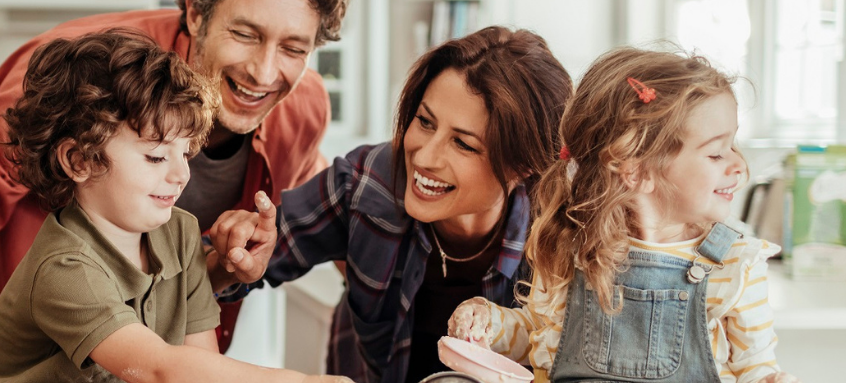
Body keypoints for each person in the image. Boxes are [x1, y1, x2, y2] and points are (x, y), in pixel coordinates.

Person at [0, 1, 347, 382]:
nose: (265, 73)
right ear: (197, 12)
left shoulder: (297, 109)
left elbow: (184, 363)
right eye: (245, 33)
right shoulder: (85, 81)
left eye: (293, 48)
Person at [207, 26, 573, 382]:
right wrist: (232, 258)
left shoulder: (562, 236)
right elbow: (219, 268)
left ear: (523, 165)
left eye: (463, 144)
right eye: (425, 122)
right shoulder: (367, 182)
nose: (424, 157)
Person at [447, 47, 801, 383]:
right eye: (716, 154)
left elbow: (756, 367)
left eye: (733, 146)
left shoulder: (737, 265)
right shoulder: (573, 248)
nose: (740, 166)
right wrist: (490, 323)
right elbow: (535, 334)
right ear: (637, 171)